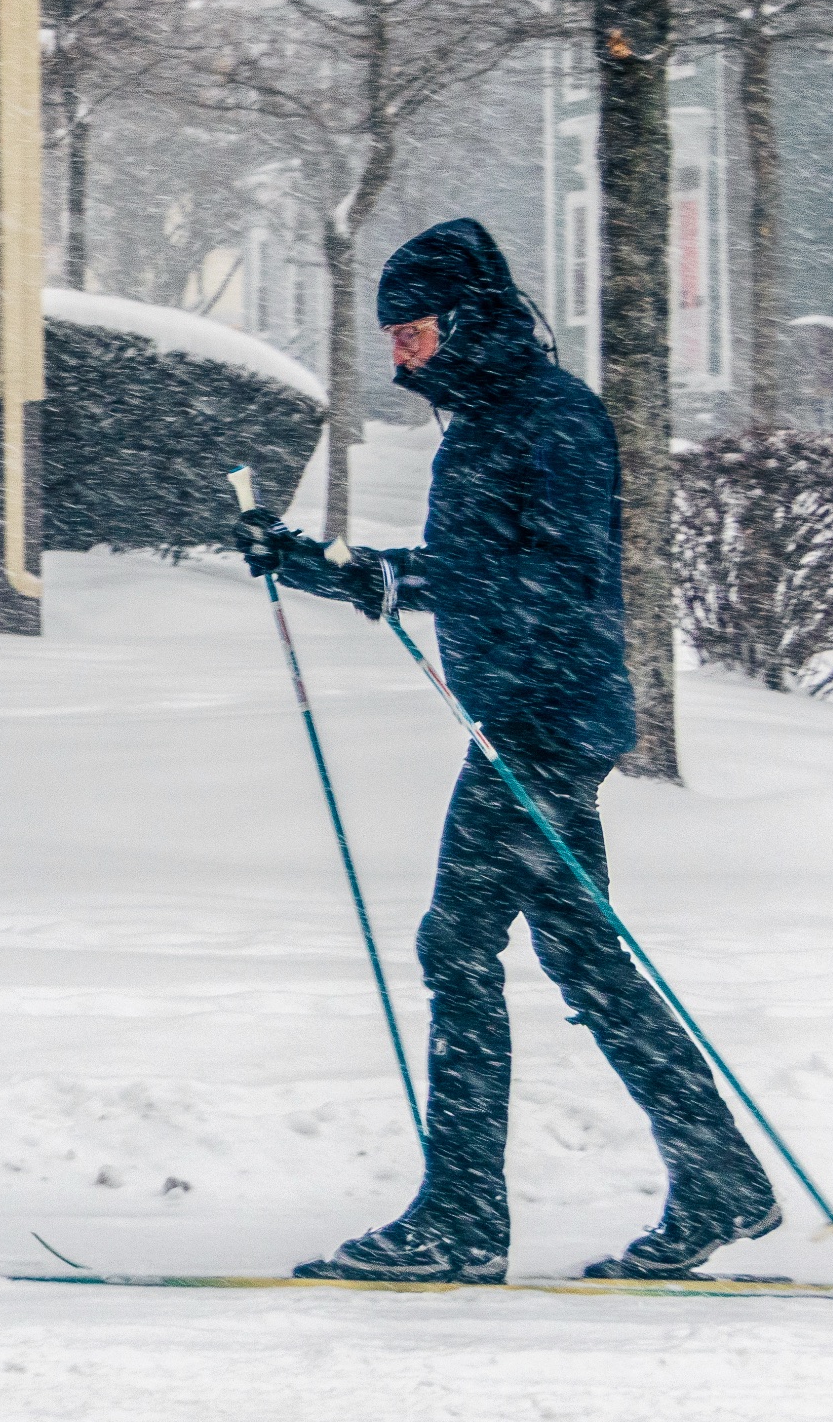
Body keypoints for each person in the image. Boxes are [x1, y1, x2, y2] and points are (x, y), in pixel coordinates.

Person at [234, 217, 778, 1283]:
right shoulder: (485, 422)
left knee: (454, 945)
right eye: (390, 332)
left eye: (414, 328)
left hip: (546, 726)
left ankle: (463, 1217)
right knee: (584, 959)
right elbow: (461, 567)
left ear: (467, 319)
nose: (398, 349)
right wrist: (319, 565)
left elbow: (561, 576)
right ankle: (717, 1178)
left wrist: (468, 629)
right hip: (531, 722)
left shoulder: (553, 418)